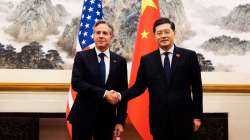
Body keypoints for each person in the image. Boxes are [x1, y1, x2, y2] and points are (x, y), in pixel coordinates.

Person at [113, 17, 203, 140]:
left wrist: (197, 116)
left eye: (167, 32)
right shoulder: (147, 60)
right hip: (159, 121)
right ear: (154, 36)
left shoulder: (189, 56)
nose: (163, 36)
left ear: (174, 33)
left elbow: (197, 89)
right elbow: (138, 88)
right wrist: (119, 95)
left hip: (183, 119)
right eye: (159, 33)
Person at [67, 20, 128, 140]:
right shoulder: (82, 57)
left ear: (111, 37)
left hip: (107, 119)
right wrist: (104, 94)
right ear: (93, 36)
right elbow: (77, 83)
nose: (101, 36)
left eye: (105, 33)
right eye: (97, 33)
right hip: (83, 116)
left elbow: (122, 93)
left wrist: (120, 121)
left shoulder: (120, 61)